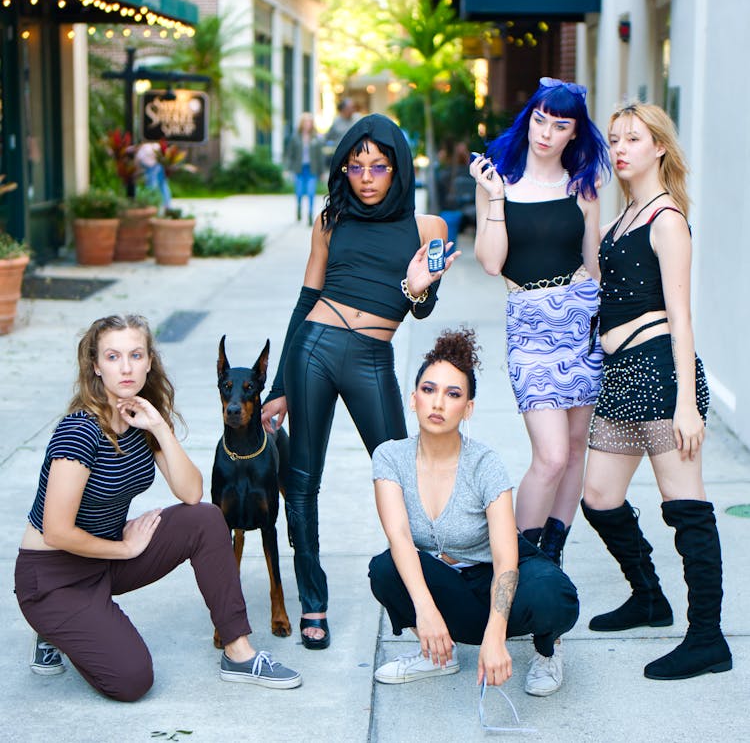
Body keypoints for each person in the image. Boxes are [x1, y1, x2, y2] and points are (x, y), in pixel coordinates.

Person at [14, 313, 301, 701]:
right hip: (54, 575)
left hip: (103, 560)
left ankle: (239, 652)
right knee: (132, 680)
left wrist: (159, 427)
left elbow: (193, 493)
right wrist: (124, 549)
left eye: (136, 354)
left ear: (150, 362)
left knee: (206, 519)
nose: (127, 366)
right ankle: (54, 628)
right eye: (113, 357)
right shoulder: (79, 431)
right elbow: (56, 531)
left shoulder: (141, 419)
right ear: (95, 366)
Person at [260, 113, 456, 651]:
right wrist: (278, 384)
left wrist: (418, 287)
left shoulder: (429, 229)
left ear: (397, 169)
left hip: (373, 358)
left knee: (402, 472)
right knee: (301, 480)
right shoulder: (330, 221)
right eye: (356, 166)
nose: (366, 177)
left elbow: (421, 310)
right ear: (343, 169)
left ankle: (427, 596)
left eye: (378, 166)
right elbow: (306, 300)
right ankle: (312, 601)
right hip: (313, 352)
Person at [581, 102, 732, 681]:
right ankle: (648, 596)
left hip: (660, 372)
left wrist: (689, 406)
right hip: (619, 374)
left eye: (633, 139)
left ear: (659, 147)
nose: (620, 148)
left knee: (686, 506)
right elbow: (603, 280)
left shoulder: (666, 218)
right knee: (597, 496)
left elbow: (681, 316)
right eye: (615, 139)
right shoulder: (626, 214)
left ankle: (707, 638)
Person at [368, 328, 579, 695]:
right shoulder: (390, 457)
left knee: (554, 596)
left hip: (494, 576)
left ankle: (548, 651)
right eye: (429, 390)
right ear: (413, 399)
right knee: (384, 569)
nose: (438, 403)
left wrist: (495, 637)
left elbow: (505, 559)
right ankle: (437, 653)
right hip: (449, 584)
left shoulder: (485, 464)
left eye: (453, 394)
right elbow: (399, 538)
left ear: (467, 409)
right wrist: (426, 612)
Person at [470, 77, 610, 564]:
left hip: (581, 322)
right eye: (540, 119)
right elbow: (491, 263)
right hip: (530, 326)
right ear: (529, 118)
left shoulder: (583, 187)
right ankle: (518, 566)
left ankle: (552, 560)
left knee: (574, 451)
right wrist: (493, 198)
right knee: (549, 456)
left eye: (560, 125)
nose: (546, 132)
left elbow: (593, 263)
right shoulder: (499, 181)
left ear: (575, 133)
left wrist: (606, 324)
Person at [285, 112, 325, 225]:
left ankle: (310, 215)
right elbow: (290, 154)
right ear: (302, 124)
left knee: (311, 192)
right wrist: (287, 169)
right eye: (306, 122)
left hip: (311, 169)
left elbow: (320, 157)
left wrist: (321, 172)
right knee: (299, 192)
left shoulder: (316, 138)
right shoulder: (295, 137)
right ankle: (298, 208)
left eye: (310, 122)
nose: (308, 124)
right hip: (299, 169)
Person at [136, 140, 172, 208]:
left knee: (153, 186)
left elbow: (139, 159)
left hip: (153, 167)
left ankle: (155, 205)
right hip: (154, 167)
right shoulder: (153, 146)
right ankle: (165, 205)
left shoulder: (148, 146)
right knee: (161, 185)